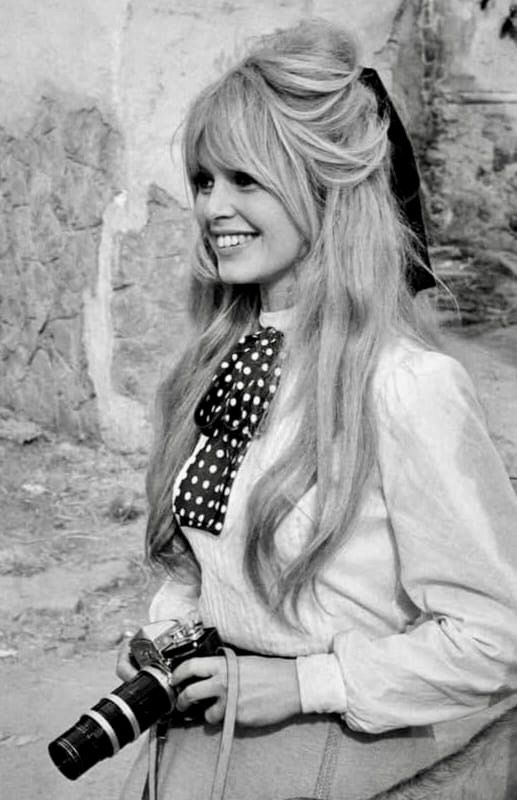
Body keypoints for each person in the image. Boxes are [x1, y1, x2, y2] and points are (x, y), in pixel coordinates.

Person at [117, 18, 517, 800]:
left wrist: (309, 682)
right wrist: (167, 633)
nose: (212, 207)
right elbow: (208, 564)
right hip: (195, 756)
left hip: (338, 764)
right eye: (203, 180)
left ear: (324, 186)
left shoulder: (405, 385)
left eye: (245, 179)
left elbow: (496, 635)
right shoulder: (219, 365)